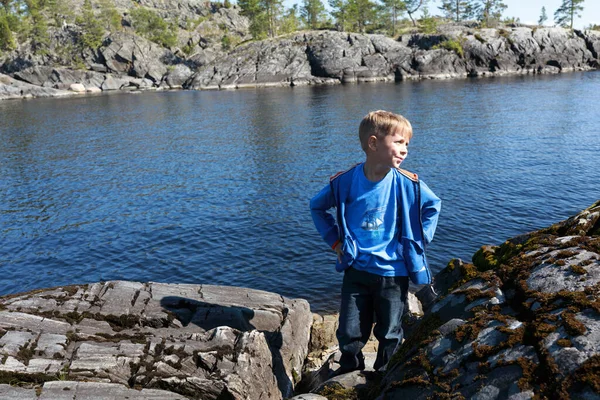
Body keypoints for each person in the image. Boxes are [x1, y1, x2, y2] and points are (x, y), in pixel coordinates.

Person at [309, 110, 441, 374]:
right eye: (399, 142)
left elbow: (433, 207)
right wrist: (336, 244)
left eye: (407, 144)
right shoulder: (345, 182)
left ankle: (385, 375)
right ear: (373, 144)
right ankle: (348, 373)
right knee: (349, 331)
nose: (405, 150)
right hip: (356, 269)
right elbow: (317, 208)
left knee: (390, 331)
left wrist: (417, 240)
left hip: (394, 272)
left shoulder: (408, 183)